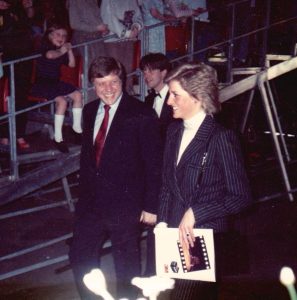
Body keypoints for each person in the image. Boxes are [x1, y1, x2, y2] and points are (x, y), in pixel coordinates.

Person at [69, 56, 163, 299]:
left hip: (125, 203)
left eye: (113, 82)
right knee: (80, 256)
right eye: (101, 84)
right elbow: (88, 157)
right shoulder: (89, 111)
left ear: (122, 80)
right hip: (92, 203)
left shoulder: (142, 114)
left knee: (126, 264)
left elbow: (154, 164)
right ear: (92, 84)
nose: (108, 89)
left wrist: (151, 206)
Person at [157, 62, 252, 299]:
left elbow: (241, 197)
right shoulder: (173, 131)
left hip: (202, 238)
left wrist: (197, 212)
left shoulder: (221, 138)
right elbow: (168, 184)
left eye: (175, 95)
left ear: (197, 97)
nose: (169, 101)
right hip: (171, 235)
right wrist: (161, 222)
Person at [30, 22, 83, 153]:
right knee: (62, 101)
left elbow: (72, 64)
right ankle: (58, 137)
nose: (61, 38)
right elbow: (50, 55)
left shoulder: (61, 51)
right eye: (58, 34)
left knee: (78, 95)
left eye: (64, 36)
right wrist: (61, 50)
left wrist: (69, 50)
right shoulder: (44, 46)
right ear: (49, 35)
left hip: (55, 82)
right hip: (42, 83)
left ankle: (77, 129)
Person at [0, 0, 35, 149]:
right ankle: (4, 135)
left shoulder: (17, 9)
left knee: (20, 96)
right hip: (5, 59)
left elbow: (29, 23)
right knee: (4, 98)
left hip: (23, 58)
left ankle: (19, 134)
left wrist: (28, 8)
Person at [100, 0, 143, 94]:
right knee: (115, 71)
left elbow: (137, 15)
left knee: (128, 71)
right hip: (113, 40)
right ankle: (115, 96)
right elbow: (109, 19)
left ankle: (127, 96)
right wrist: (127, 33)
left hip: (128, 40)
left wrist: (135, 27)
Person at [140, 52, 173, 139]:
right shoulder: (148, 99)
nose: (146, 76)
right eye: (144, 72)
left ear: (163, 73)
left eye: (150, 71)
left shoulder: (175, 97)